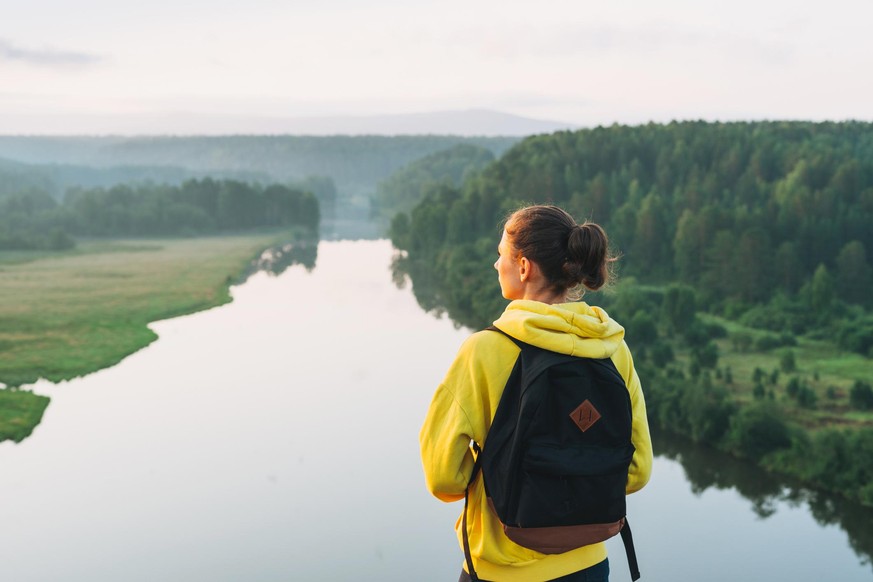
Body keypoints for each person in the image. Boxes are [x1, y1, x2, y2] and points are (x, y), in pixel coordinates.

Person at [420, 205, 653, 582]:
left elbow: (443, 478)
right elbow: (637, 470)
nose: (496, 265)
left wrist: (501, 476)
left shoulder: (485, 351)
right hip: (589, 566)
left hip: (502, 570)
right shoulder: (612, 347)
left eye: (501, 255)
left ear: (524, 266)